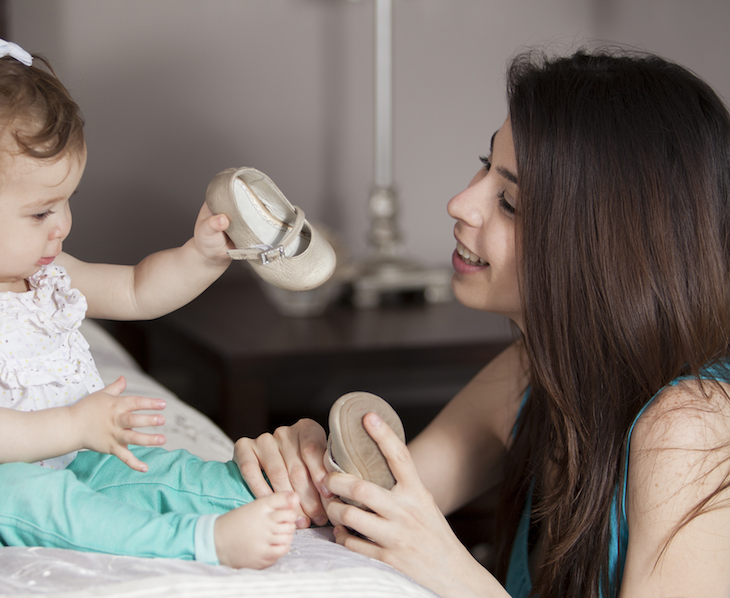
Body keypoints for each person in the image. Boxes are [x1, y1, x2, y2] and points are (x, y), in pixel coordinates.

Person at [234, 47, 730, 597]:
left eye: (510, 202)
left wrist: (452, 570)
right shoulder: (529, 373)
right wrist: (308, 466)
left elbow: (424, 545)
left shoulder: (692, 431)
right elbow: (374, 504)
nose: (460, 204)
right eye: (484, 163)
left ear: (609, 249)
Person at [0, 34, 300, 570]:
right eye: (40, 212)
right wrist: (77, 425)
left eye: (66, 201)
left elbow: (137, 291)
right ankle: (197, 541)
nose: (64, 225)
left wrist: (202, 256)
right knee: (33, 500)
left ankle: (265, 494)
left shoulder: (42, 273)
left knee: (149, 469)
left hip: (52, 455)